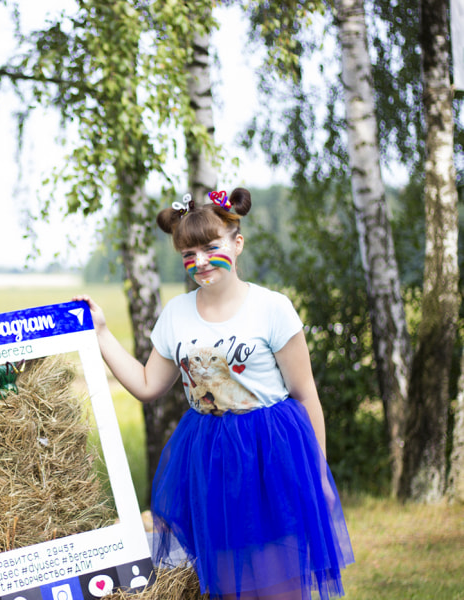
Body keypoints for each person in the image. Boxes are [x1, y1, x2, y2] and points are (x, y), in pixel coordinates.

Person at [74, 189, 353, 600]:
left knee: (280, 580)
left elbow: (305, 393)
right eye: (189, 253)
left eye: (211, 247)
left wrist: (317, 471)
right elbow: (148, 385)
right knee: (227, 583)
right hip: (210, 459)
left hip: (270, 454)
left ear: (237, 243)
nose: (201, 261)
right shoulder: (176, 314)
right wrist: (100, 333)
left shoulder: (272, 308)